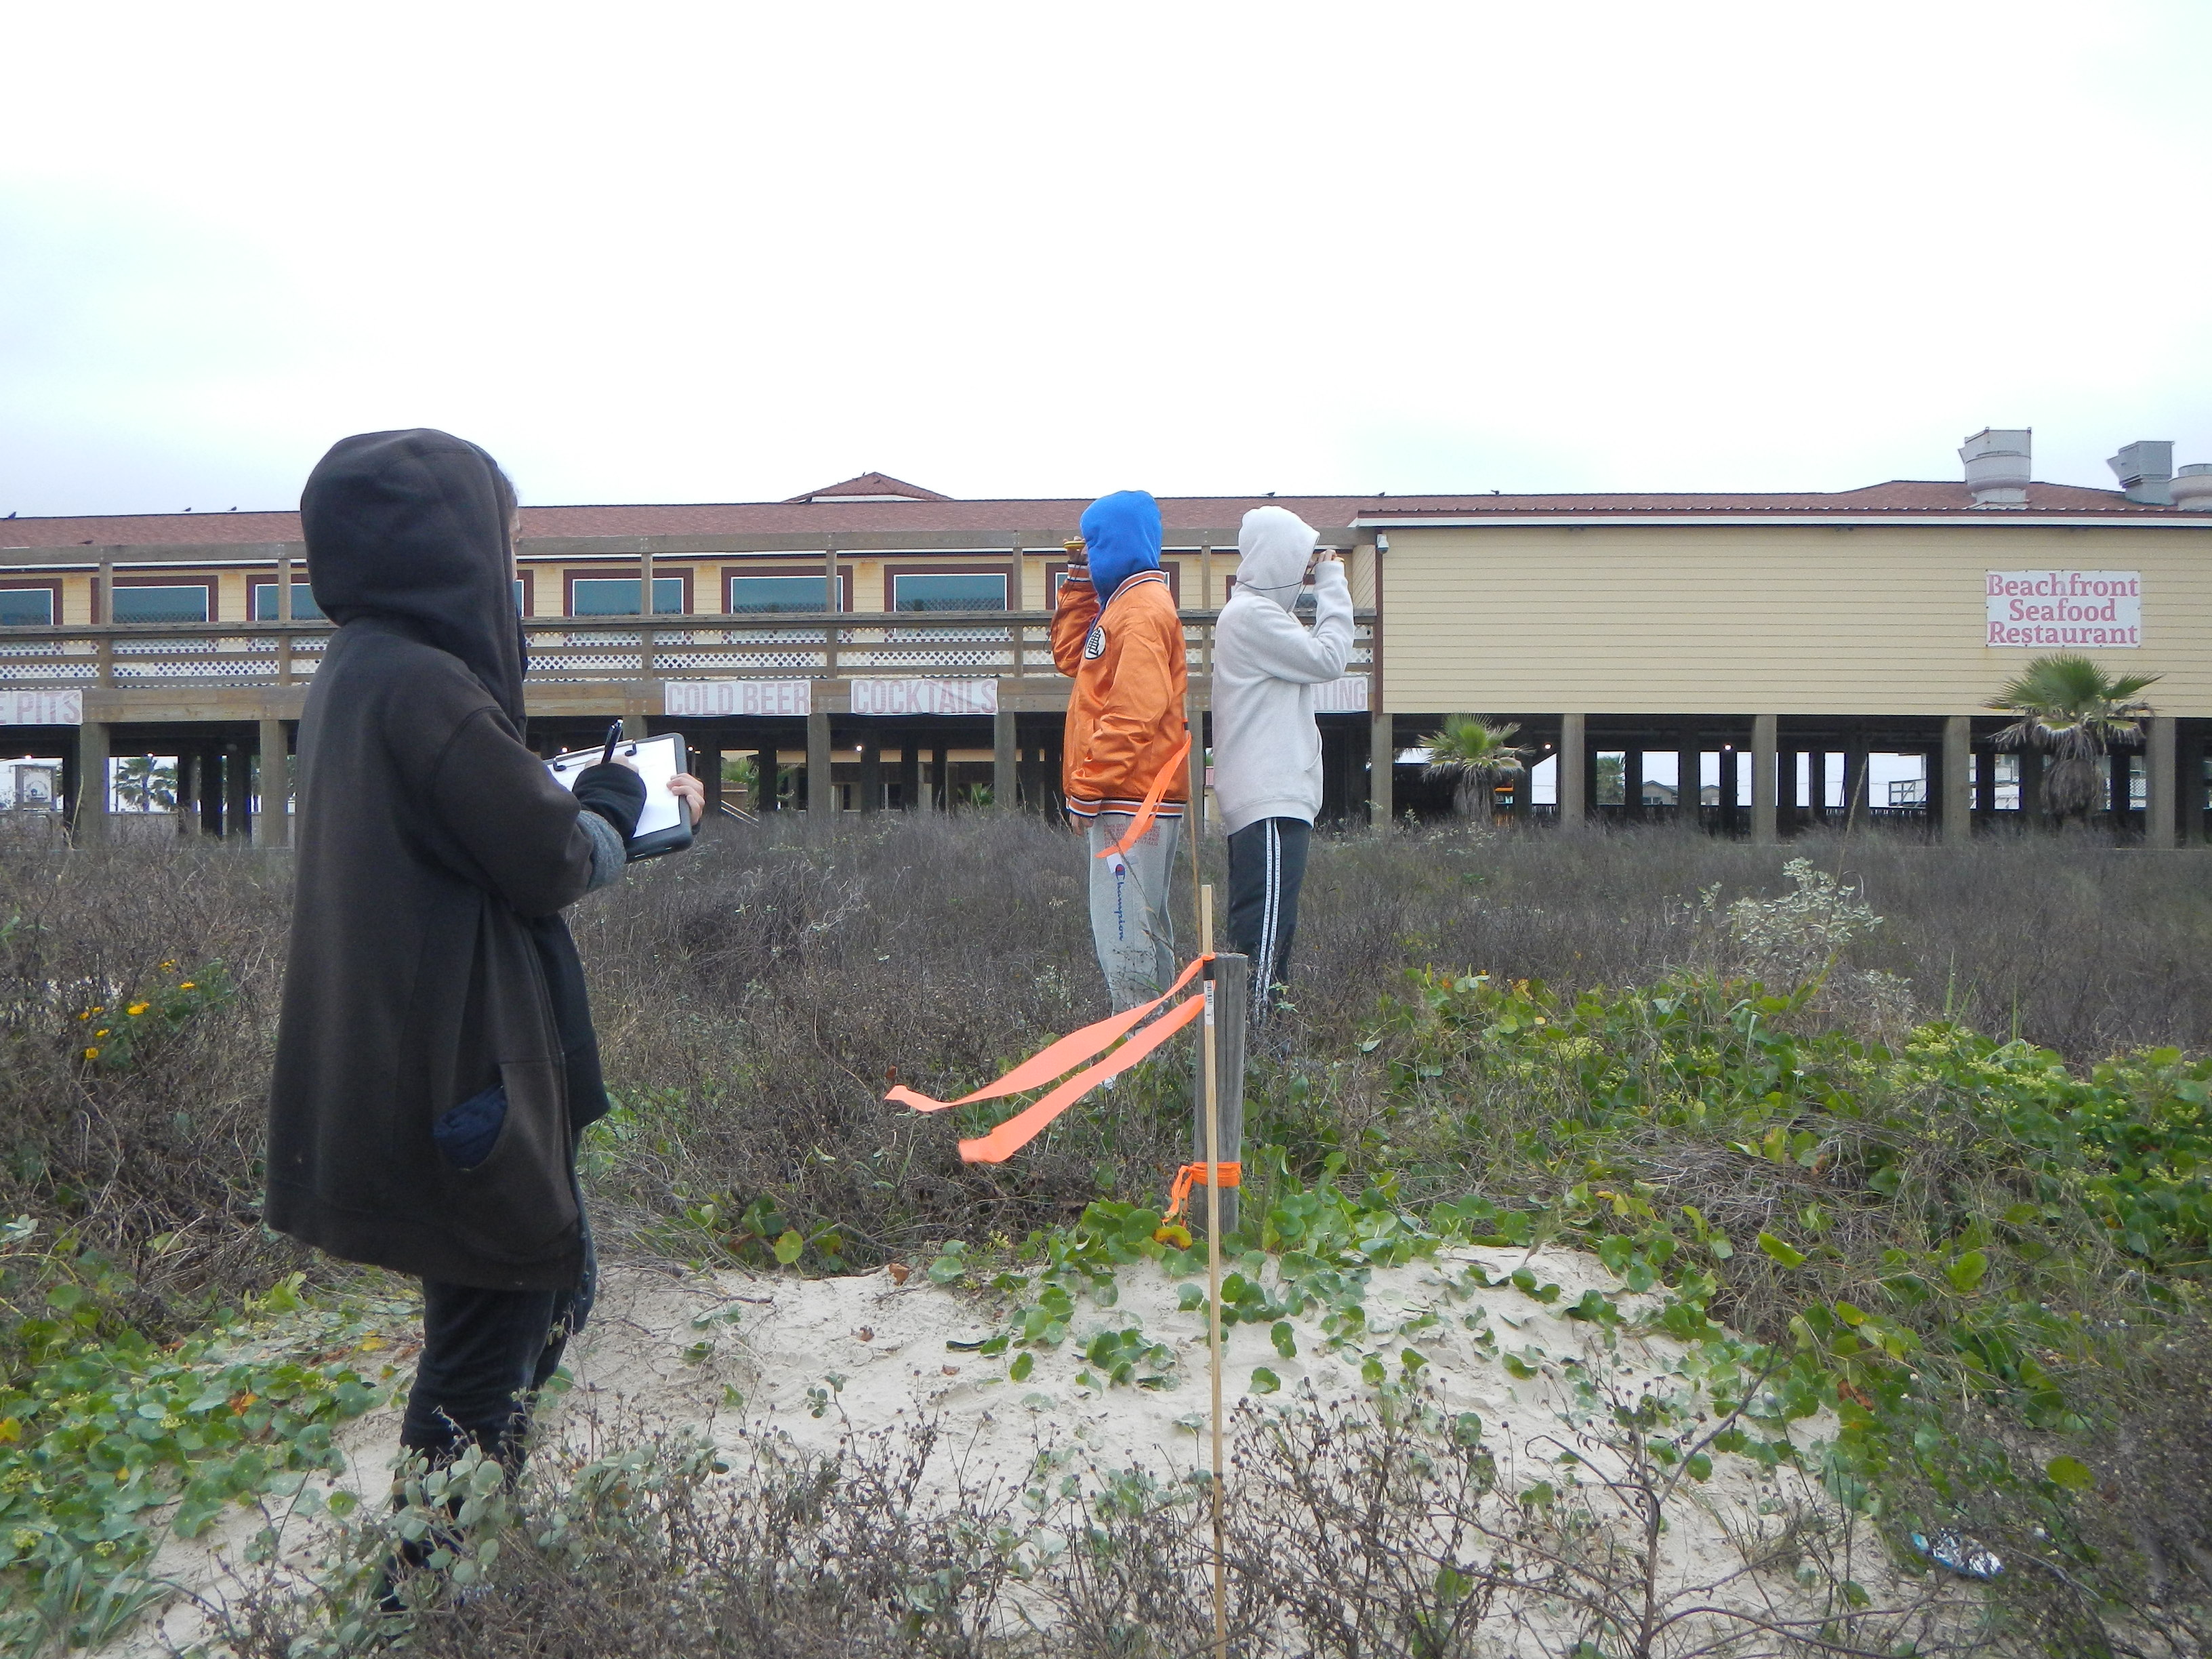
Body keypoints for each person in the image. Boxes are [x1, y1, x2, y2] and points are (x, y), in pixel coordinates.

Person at [264, 430, 703, 1544]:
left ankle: (462, 1551)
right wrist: (616, 807)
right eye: (502, 544)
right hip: (463, 1083)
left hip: (405, 1064)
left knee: (527, 1295)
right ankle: (424, 1588)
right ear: (448, 549)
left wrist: (557, 800)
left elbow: (472, 829)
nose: (510, 573)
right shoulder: (431, 689)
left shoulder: (358, 668)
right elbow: (548, 861)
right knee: (498, 1322)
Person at [1211, 506, 1353, 1025]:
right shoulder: (1253, 617)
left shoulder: (1262, 616)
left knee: (1264, 929)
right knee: (1264, 938)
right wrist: (1333, 580)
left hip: (1270, 797)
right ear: (1279, 559)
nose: (1307, 568)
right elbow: (1330, 659)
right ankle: (1258, 1051)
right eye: (1300, 558)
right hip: (1268, 798)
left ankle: (1253, 1048)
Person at [1051, 490, 1191, 1010]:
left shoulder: (1141, 613)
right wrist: (1081, 581)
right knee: (1144, 933)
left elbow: (1135, 712)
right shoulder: (1127, 607)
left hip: (1131, 801)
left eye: (1092, 544)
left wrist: (1087, 788)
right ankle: (1158, 1058)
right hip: (1135, 796)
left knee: (1124, 939)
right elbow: (1072, 656)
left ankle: (1136, 1070)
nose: (1085, 552)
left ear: (1113, 542)